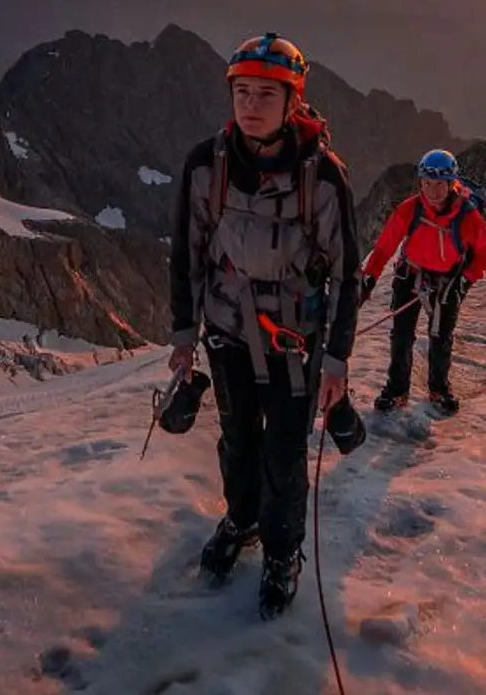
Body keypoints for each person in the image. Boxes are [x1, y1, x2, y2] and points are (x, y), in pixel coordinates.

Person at [168, 32, 361, 619]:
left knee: (282, 451)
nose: (249, 106)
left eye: (264, 95)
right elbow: (188, 251)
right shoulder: (207, 166)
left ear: (292, 101)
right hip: (227, 334)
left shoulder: (321, 176)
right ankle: (243, 517)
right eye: (241, 92)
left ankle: (283, 549)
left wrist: (337, 359)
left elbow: (347, 272)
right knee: (237, 439)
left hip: (294, 342)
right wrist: (183, 336)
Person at [360, 148, 486, 414]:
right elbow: (384, 248)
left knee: (441, 336)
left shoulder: (468, 217)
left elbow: (485, 251)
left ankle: (439, 390)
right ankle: (397, 391)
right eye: (427, 184)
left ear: (451, 184)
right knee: (401, 336)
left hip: (448, 283)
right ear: (420, 182)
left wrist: (464, 281)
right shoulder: (410, 210)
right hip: (411, 275)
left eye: (439, 185)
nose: (433, 192)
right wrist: (368, 278)